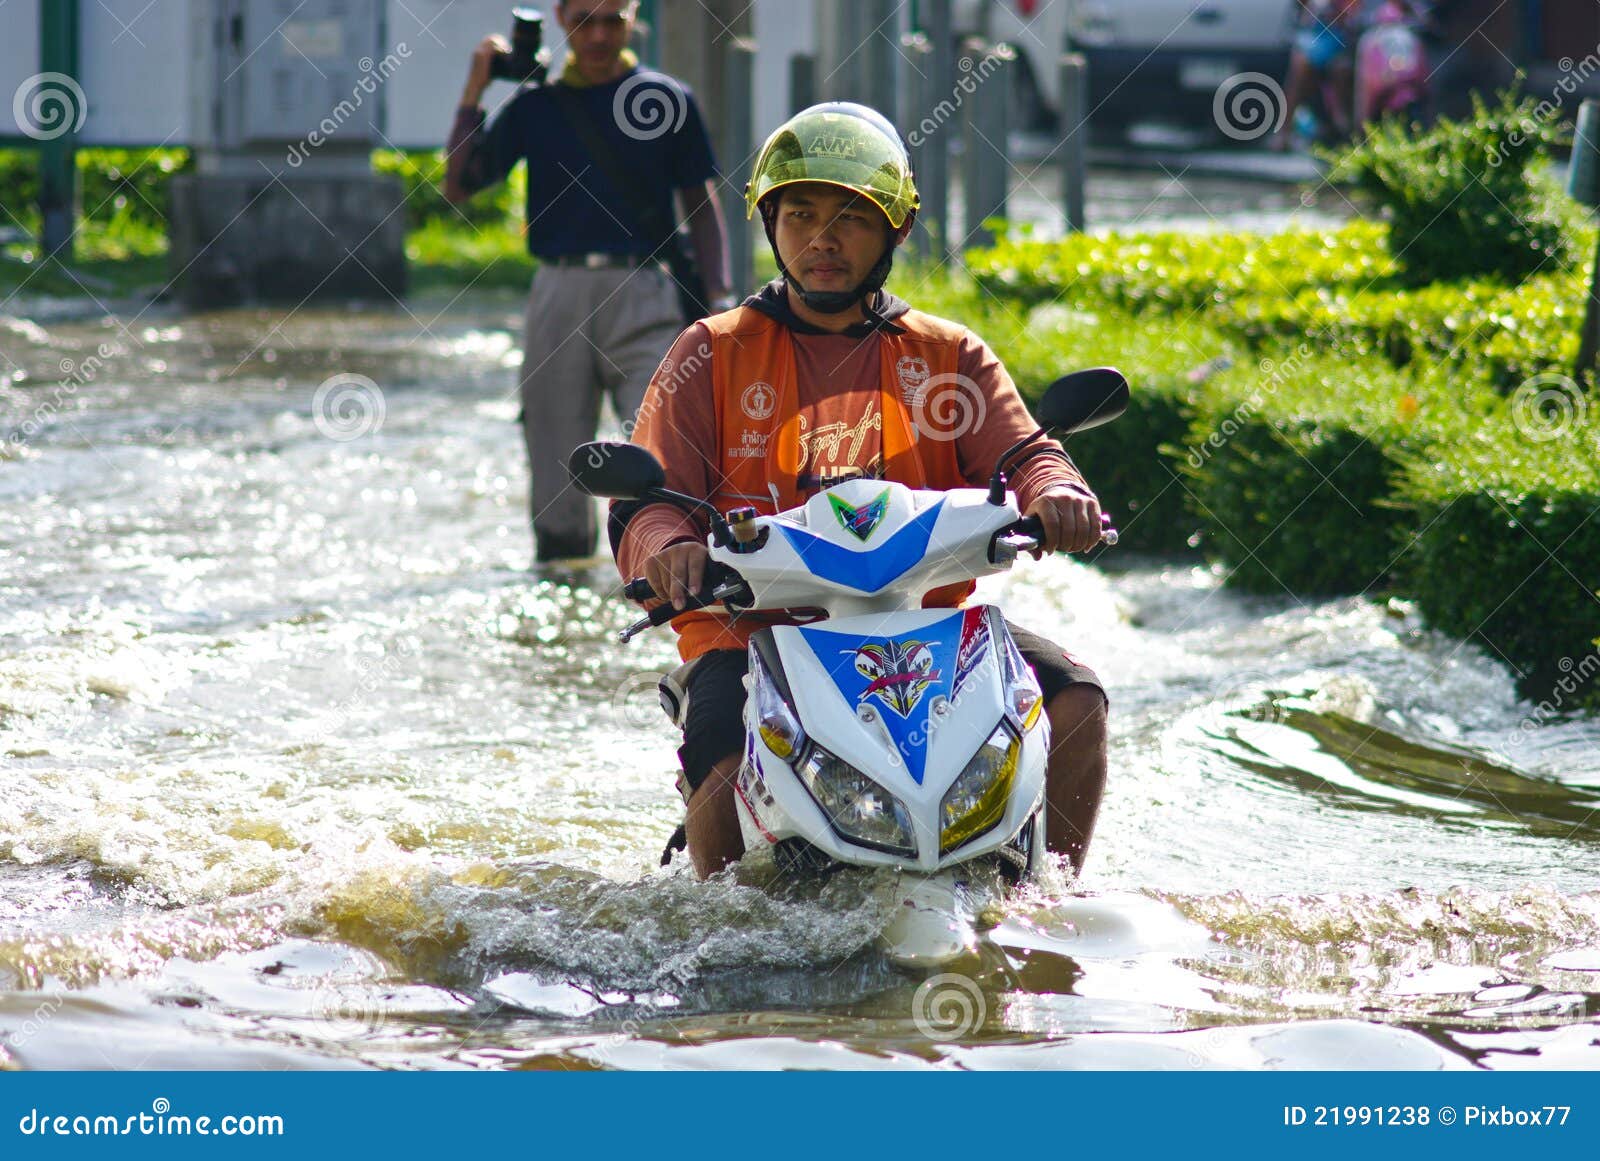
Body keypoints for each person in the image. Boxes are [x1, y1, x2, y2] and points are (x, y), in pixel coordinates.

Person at [611, 103, 1110, 880]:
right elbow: (648, 497)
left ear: (895, 232)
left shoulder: (950, 354)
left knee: (1076, 696)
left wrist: (1058, 494)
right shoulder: (709, 350)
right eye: (801, 214)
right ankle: (717, 930)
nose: (822, 239)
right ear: (770, 224)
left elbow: (1027, 452)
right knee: (719, 740)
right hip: (752, 630)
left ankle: (1054, 894)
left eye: (851, 217)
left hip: (932, 630)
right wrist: (669, 548)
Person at [445, 0, 733, 563]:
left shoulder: (667, 98)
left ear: (632, 17)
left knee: (663, 446)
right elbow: (460, 185)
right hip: (559, 291)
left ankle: (672, 580)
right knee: (554, 455)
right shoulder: (537, 107)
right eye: (583, 20)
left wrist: (719, 300)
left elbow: (702, 206)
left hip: (646, 291)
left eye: (612, 20)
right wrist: (474, 90)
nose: (598, 35)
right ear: (559, 18)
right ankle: (563, 588)